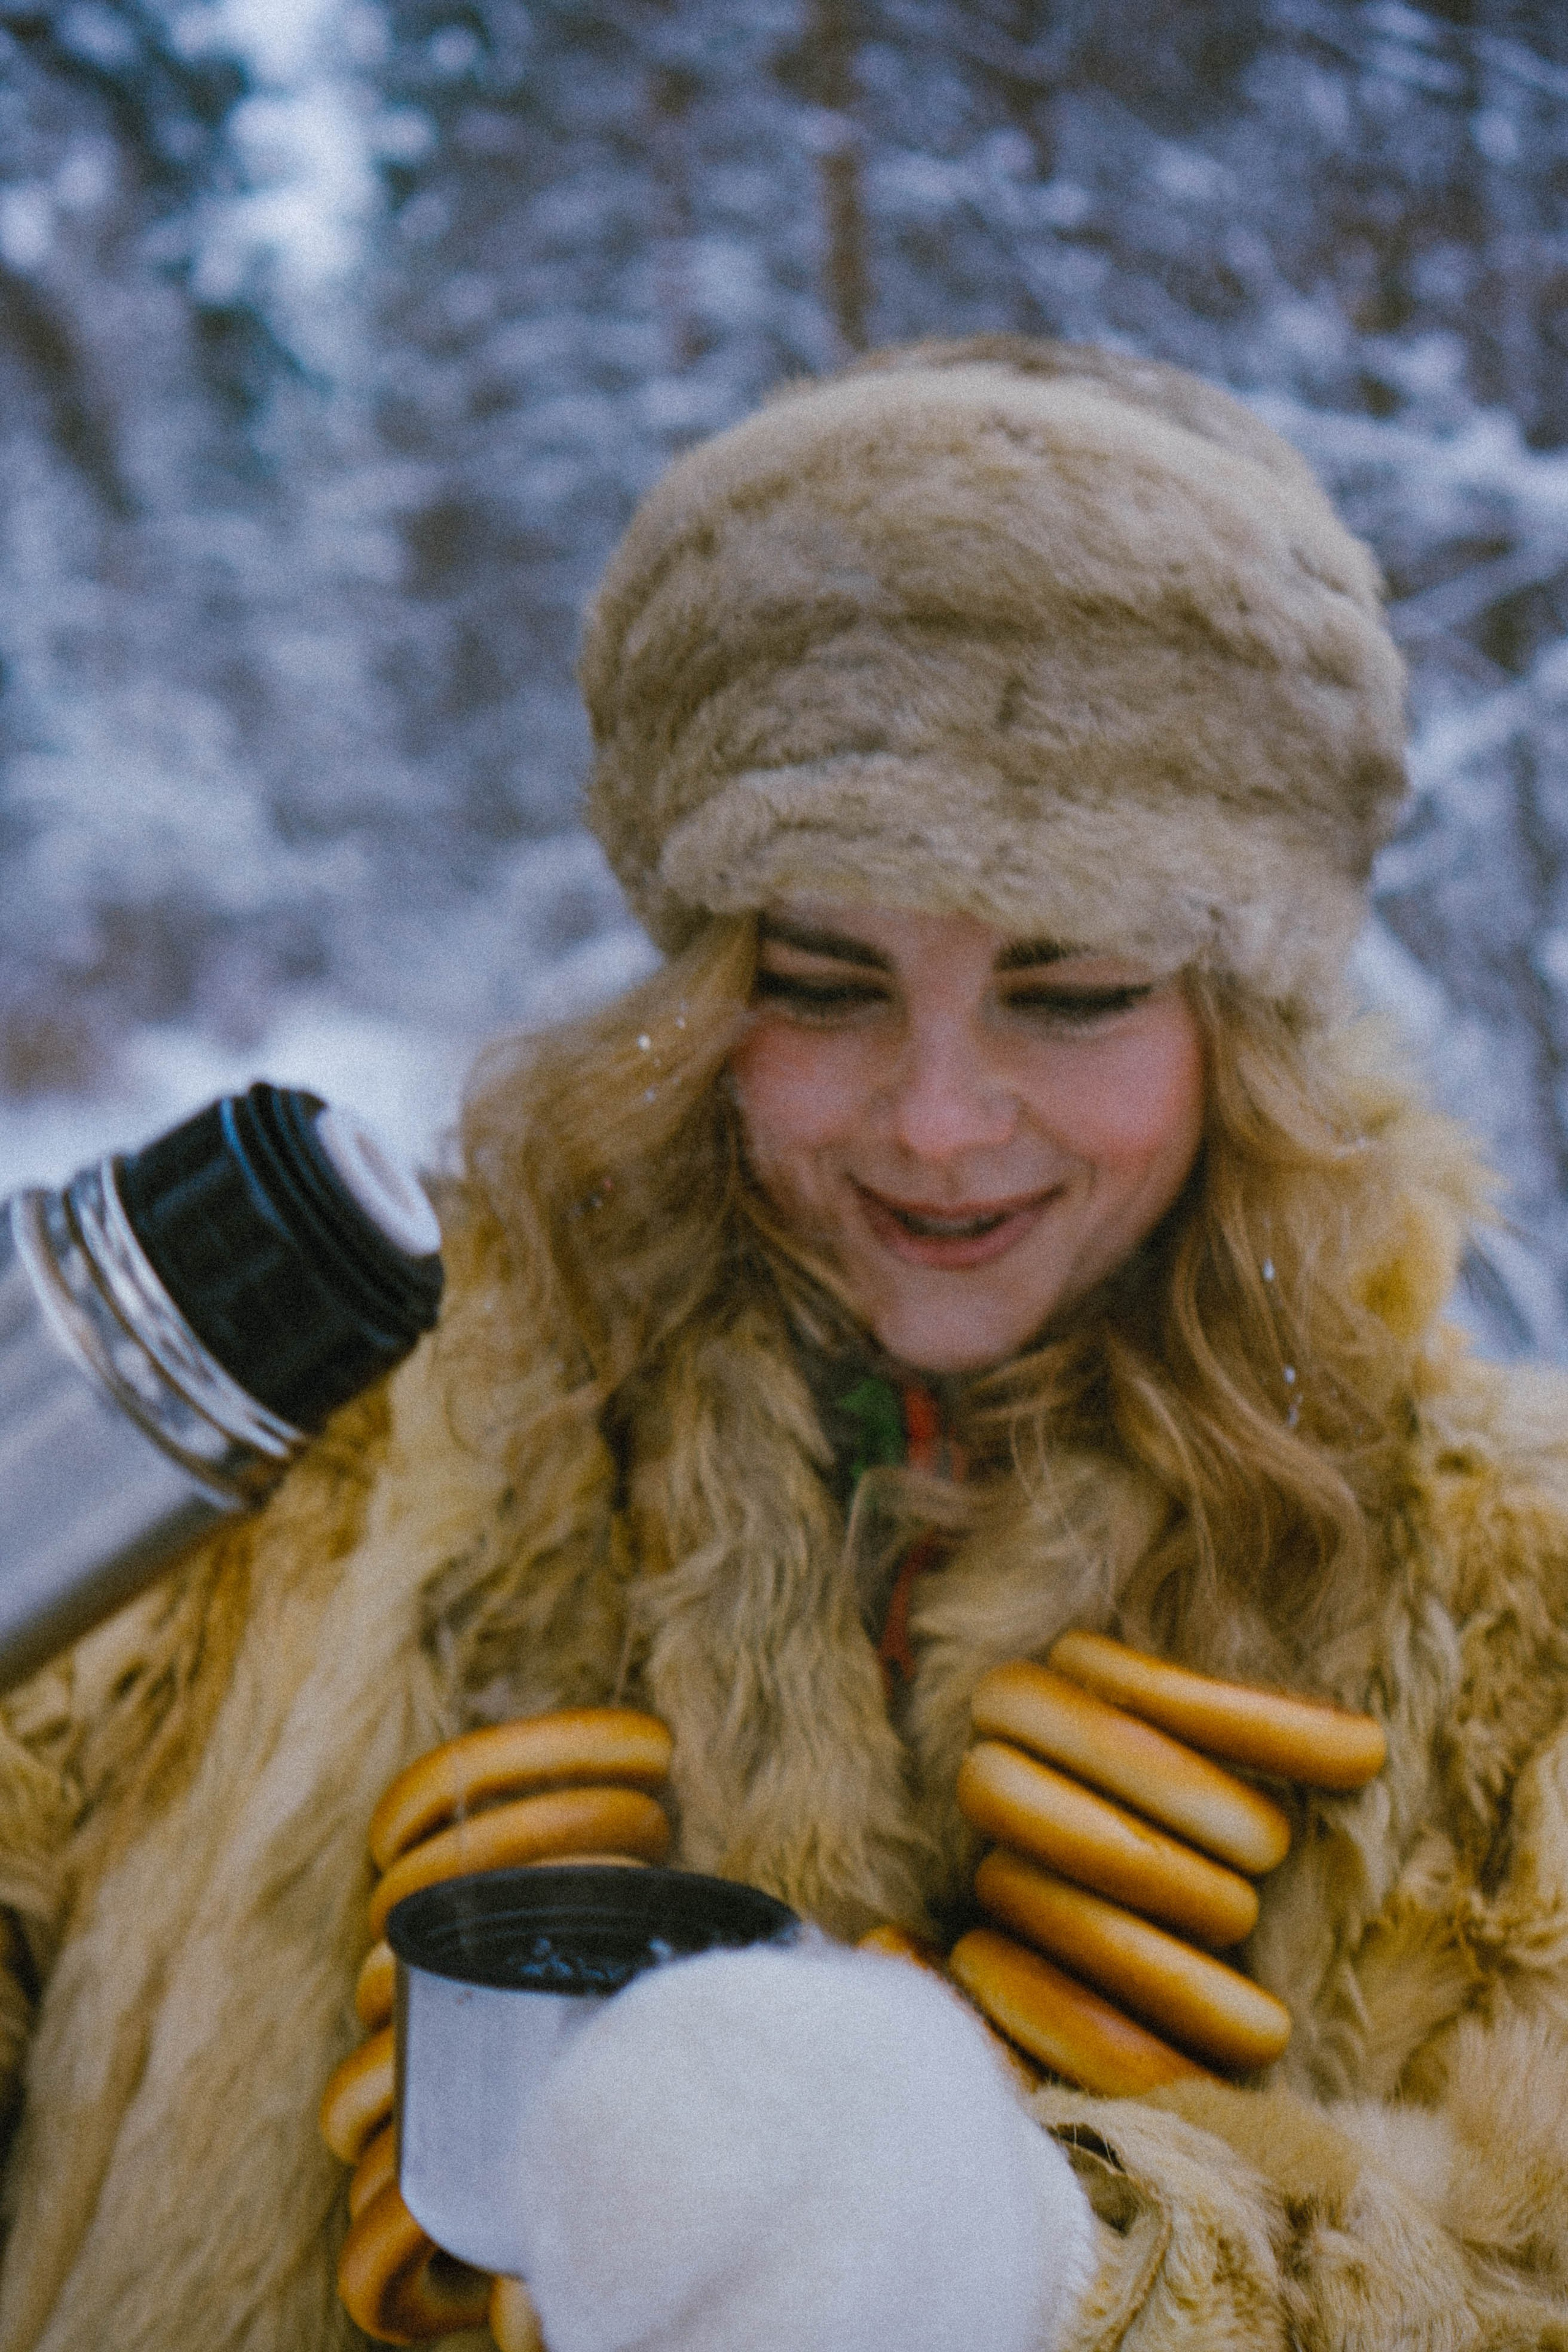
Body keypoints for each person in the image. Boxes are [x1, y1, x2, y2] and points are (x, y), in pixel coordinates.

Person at [0, 333, 1566, 2352]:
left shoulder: (1505, 1586)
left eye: (1068, 994)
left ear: (1236, 1026)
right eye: (824, 986)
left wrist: (1051, 2265)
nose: (932, 1122)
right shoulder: (320, 1452)